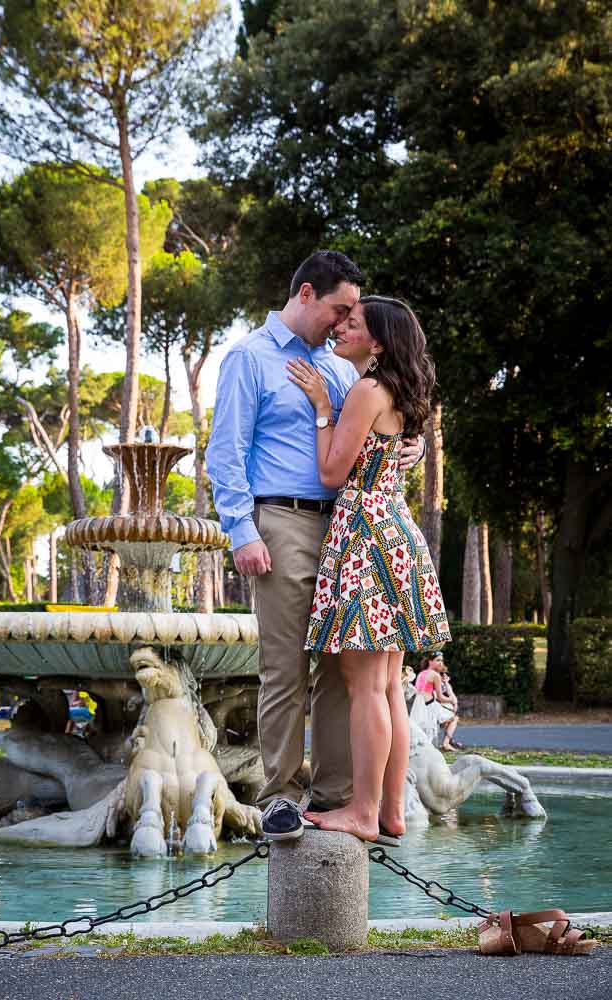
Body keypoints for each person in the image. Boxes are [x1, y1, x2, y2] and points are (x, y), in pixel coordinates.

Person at [206, 251, 424, 841]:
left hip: (350, 528)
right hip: (282, 522)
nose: (343, 321)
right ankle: (281, 796)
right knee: (284, 670)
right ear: (306, 294)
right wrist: (242, 530)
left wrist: (416, 448)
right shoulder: (248, 358)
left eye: (351, 314)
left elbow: (384, 416)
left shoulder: (340, 368)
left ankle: (335, 796)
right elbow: (225, 453)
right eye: (338, 309)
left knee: (342, 672)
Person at [287, 295, 451, 845]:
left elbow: (333, 472)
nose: (341, 328)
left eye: (351, 324)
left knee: (364, 687)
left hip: (364, 534)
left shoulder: (366, 390)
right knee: (386, 686)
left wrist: (321, 409)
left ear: (376, 341)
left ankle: (361, 810)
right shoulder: (400, 393)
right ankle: (390, 812)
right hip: (397, 532)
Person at [414, 652, 463, 751]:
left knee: (443, 720)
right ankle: (446, 743)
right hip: (429, 706)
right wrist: (452, 700)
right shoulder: (435, 675)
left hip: (419, 706)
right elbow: (440, 697)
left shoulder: (421, 673)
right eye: (438, 660)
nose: (441, 663)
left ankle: (444, 741)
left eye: (441, 660)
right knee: (454, 718)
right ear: (430, 661)